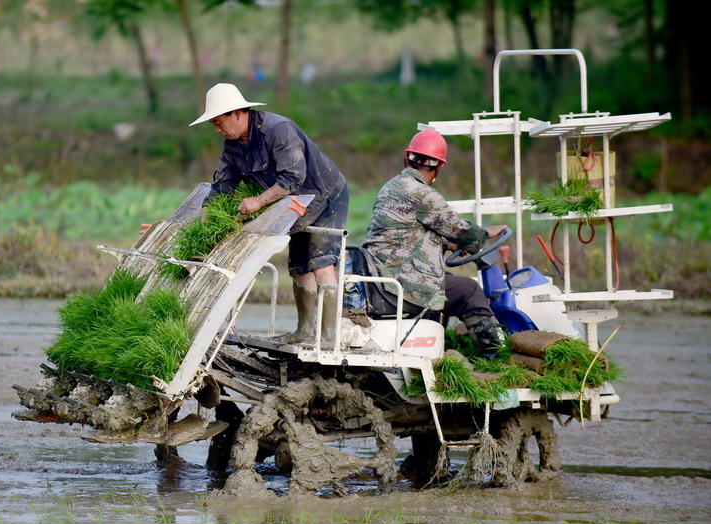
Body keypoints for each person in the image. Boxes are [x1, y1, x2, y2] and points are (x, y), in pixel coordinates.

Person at [190, 82, 350, 345]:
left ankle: (330, 338)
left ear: (238, 113)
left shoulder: (278, 130)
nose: (218, 130)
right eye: (213, 125)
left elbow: (292, 177)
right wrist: (207, 219)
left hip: (324, 193)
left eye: (219, 122)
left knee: (320, 262)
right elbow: (221, 186)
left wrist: (258, 202)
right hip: (294, 203)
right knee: (299, 267)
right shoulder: (232, 145)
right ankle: (305, 331)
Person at [362, 129, 506, 357]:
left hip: (384, 274)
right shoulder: (424, 195)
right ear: (439, 166)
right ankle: (495, 360)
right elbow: (462, 231)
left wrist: (445, 246)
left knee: (446, 281)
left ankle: (437, 349)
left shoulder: (391, 187)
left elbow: (405, 234)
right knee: (469, 291)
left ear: (407, 157)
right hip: (401, 284)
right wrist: (486, 232)